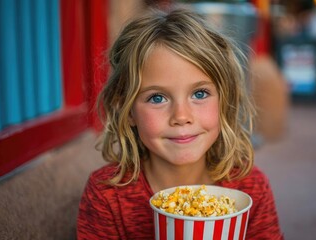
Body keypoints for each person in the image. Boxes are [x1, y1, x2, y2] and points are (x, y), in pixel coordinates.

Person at [77, 7, 284, 239]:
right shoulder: (107, 196)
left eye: (199, 94)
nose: (181, 116)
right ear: (127, 110)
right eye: (157, 98)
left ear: (224, 100)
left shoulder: (250, 188)